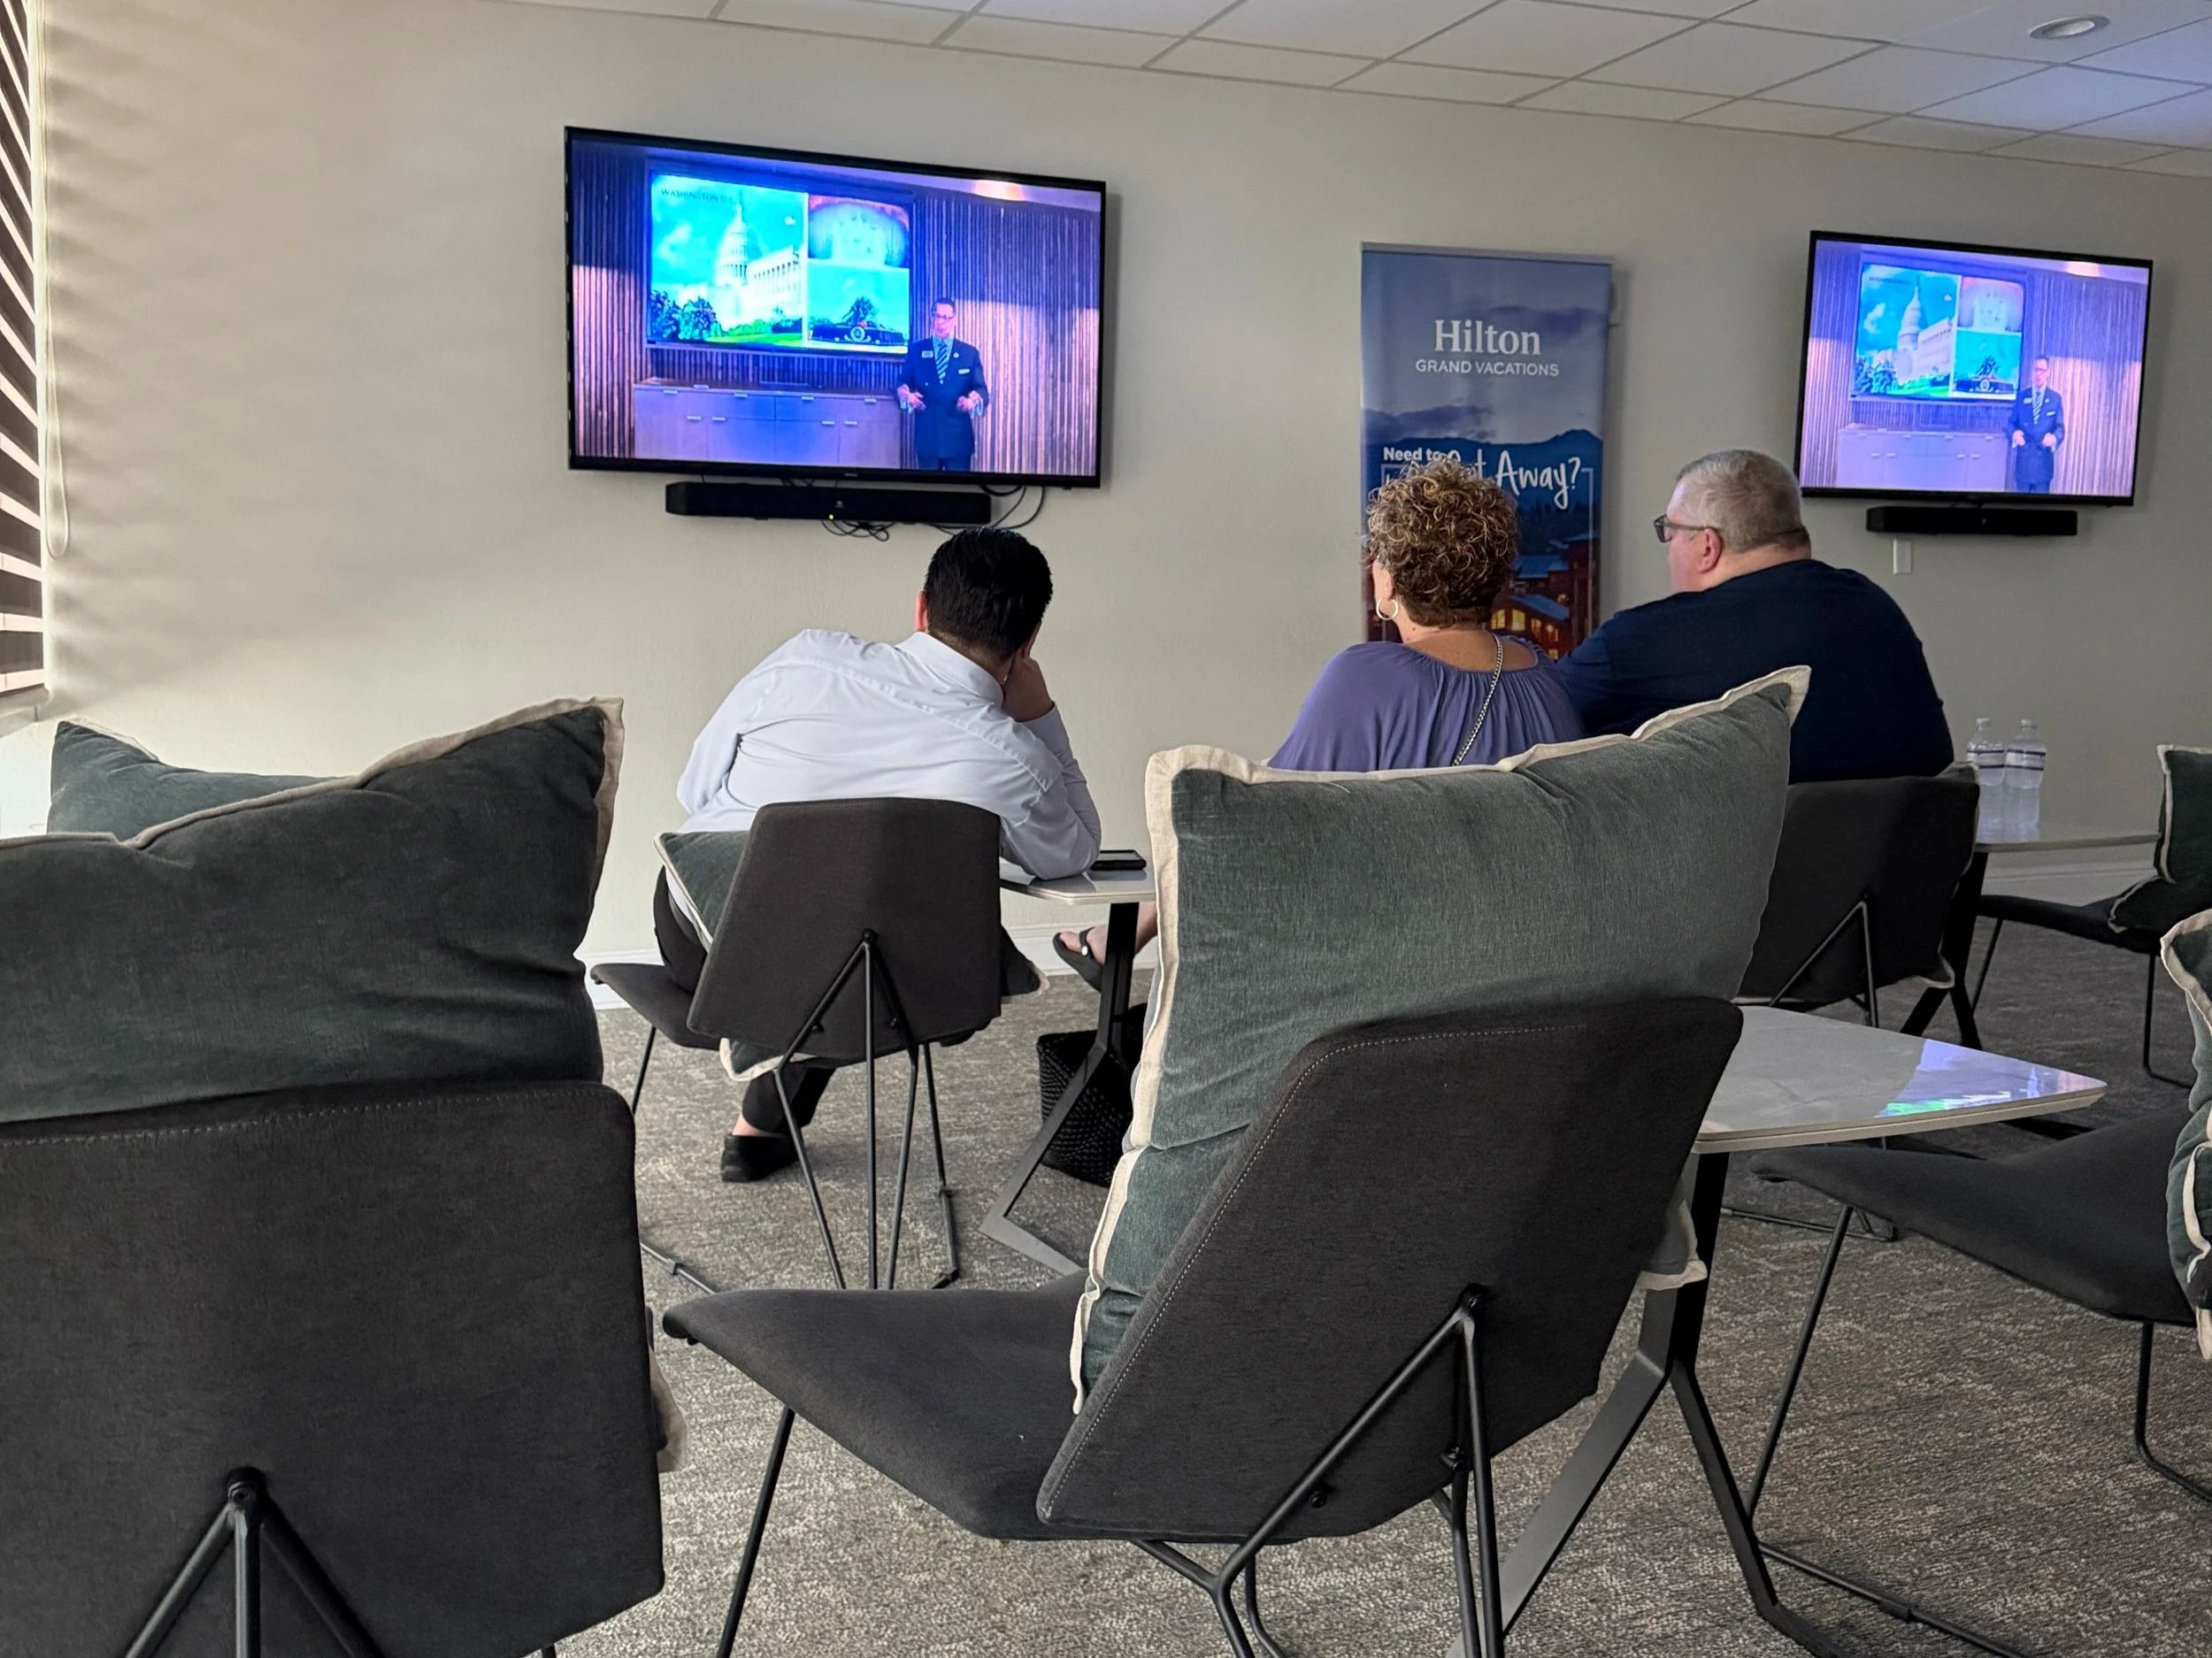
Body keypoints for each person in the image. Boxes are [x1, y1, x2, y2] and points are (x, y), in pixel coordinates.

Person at [671, 526, 1098, 1180]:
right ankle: (766, 1114)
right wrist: (1041, 718)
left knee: (835, 936)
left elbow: (695, 794)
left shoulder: (804, 658)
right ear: (1028, 641)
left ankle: (764, 1115)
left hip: (706, 949)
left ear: (922, 608)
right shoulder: (1014, 757)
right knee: (863, 946)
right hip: (899, 988)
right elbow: (1070, 856)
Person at [1056, 455, 1581, 978]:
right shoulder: (1544, 675)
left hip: (1403, 959)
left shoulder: (1370, 676)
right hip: (1537, 953)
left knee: (1231, 803)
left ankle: (1118, 941)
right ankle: (1116, 940)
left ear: (1389, 583)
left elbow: (1267, 817)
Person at [1557, 449, 1951, 783]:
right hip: (1905, 870)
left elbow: (1527, 712)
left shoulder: (1637, 642)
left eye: (1671, 531)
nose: (1668, 546)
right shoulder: (1877, 608)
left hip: (1742, 872)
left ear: (1707, 546)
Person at [897, 298, 989, 472]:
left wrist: (971, 402)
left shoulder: (969, 354)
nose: (940, 322)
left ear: (954, 321)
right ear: (931, 318)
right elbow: (902, 384)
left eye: (946, 317)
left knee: (958, 495)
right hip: (927, 439)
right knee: (929, 495)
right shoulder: (916, 351)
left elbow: (982, 390)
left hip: (958, 440)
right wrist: (907, 397)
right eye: (937, 316)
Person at [2008, 356, 2064, 494]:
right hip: (2024, 464)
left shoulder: (2055, 399)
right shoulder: (2021, 396)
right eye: (2036, 369)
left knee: (2041, 509)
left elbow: (2060, 429)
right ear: (2032, 371)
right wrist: (2014, 434)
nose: (2038, 373)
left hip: (2043, 465)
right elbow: (2010, 424)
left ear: (2048, 373)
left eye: (2042, 370)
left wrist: (2054, 438)